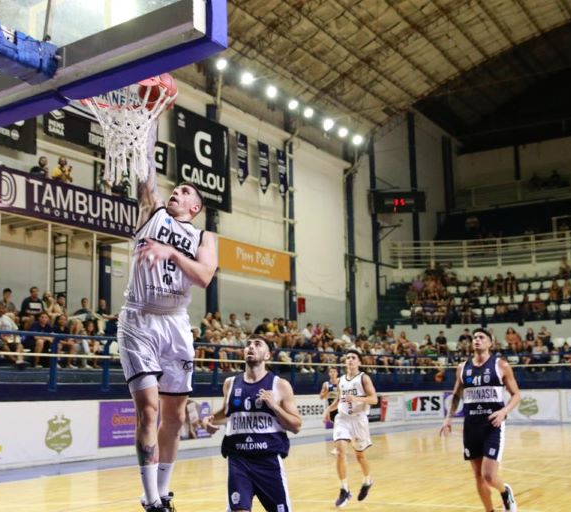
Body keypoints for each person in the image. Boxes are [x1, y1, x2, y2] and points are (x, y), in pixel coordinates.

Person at [117, 120, 218, 512]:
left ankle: (161, 489)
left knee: (174, 418)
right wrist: (149, 118)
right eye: (174, 189)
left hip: (176, 322)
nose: (176, 193)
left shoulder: (204, 237)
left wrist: (172, 253)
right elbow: (146, 168)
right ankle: (150, 498)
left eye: (185, 192)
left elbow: (205, 276)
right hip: (139, 318)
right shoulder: (151, 212)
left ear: (196, 208)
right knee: (148, 409)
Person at [201, 335, 302, 512]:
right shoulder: (230, 383)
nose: (251, 347)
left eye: (257, 344)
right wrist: (208, 420)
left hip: (268, 461)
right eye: (248, 344)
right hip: (238, 460)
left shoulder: (280, 385)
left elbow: (296, 426)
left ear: (267, 355)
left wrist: (275, 407)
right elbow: (226, 412)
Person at [440, 327, 522, 512]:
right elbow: (455, 395)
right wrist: (448, 418)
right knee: (478, 476)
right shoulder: (462, 368)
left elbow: (516, 395)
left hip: (493, 425)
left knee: (489, 476)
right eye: (475, 337)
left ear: (490, 343)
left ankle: (505, 492)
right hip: (471, 426)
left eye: (481, 337)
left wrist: (504, 411)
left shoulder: (500, 365)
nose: (477, 340)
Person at [323, 349, 378, 508]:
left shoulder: (364, 378)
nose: (350, 360)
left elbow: (374, 399)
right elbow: (339, 400)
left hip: (359, 420)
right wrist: (329, 410)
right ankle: (344, 489)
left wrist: (355, 398)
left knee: (360, 456)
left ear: (359, 362)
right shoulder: (340, 380)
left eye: (353, 357)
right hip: (343, 419)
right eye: (348, 358)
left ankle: (367, 480)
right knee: (340, 451)